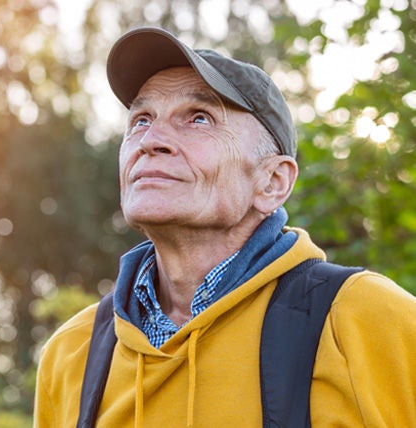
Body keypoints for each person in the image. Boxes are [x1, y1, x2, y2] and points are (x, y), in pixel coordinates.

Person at [33, 27, 416, 427]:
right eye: (141, 120)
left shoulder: (366, 320)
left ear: (273, 182)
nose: (151, 140)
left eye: (199, 119)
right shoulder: (71, 354)